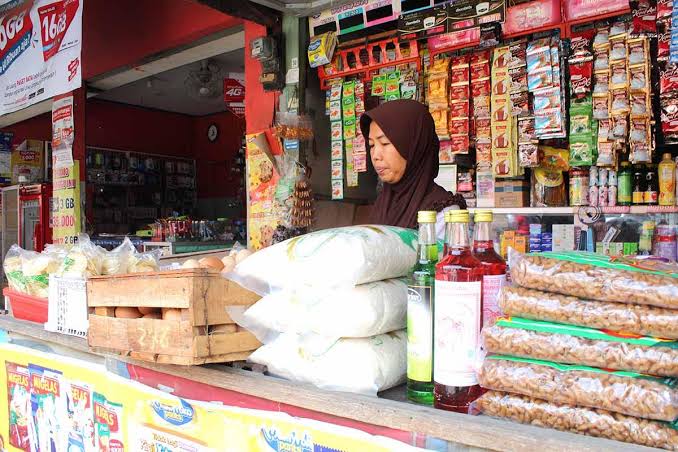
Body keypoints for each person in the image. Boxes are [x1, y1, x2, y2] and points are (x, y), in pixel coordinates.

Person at [359, 99, 466, 236]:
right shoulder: (384, 202)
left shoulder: (444, 214)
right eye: (372, 145)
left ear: (414, 147)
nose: (375, 156)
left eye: (385, 143)